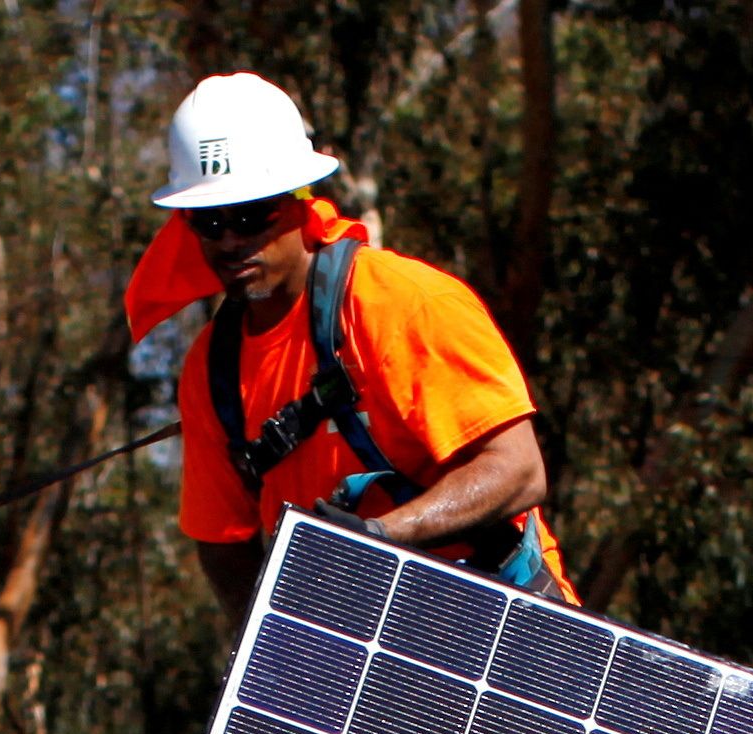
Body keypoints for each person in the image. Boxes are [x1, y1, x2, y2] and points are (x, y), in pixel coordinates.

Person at [128, 73, 566, 614]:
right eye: (209, 221)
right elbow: (221, 541)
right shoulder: (211, 371)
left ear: (298, 199)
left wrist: (381, 537)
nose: (231, 240)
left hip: (502, 620)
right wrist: (267, 653)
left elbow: (519, 469)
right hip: (360, 653)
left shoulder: (400, 302)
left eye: (249, 214)